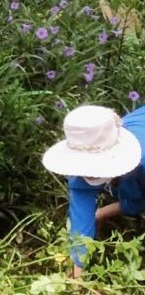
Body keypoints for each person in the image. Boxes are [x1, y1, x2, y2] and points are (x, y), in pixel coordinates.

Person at [42, 104, 145, 277]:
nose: (88, 173)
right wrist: (77, 279)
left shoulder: (141, 161)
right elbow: (80, 226)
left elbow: (139, 201)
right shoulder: (81, 171)